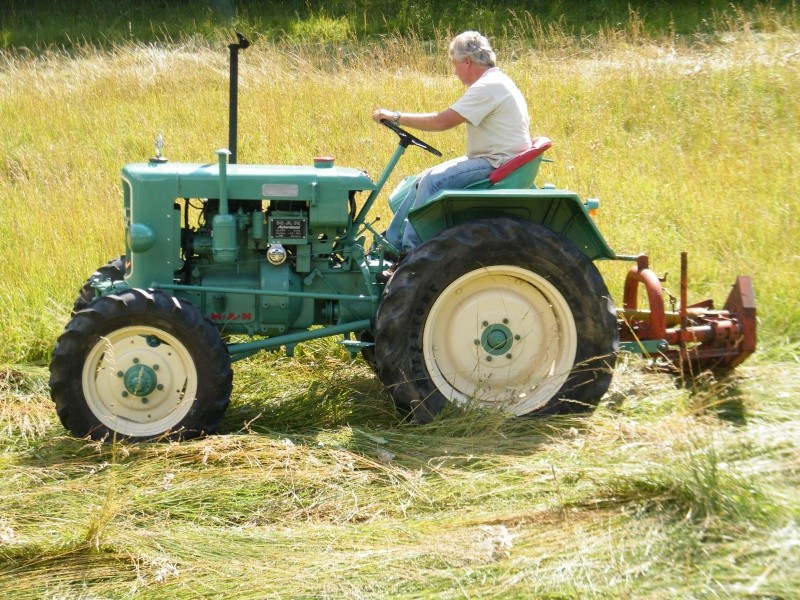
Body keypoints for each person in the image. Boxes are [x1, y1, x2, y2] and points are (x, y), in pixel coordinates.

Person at [372, 30, 532, 254]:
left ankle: (409, 253)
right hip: (498, 158)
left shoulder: (487, 87)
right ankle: (392, 242)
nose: (455, 71)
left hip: (496, 162)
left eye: (455, 64)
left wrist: (396, 117)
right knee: (420, 179)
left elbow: (441, 122)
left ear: (467, 62)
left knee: (431, 182)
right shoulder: (498, 81)